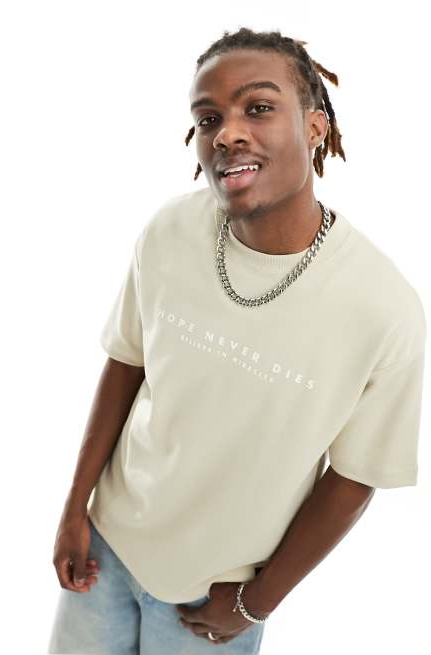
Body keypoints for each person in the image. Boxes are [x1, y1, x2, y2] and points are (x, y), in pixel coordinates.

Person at [47, 28, 427, 653]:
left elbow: (354, 478)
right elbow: (127, 363)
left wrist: (257, 602)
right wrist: (74, 506)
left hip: (212, 596)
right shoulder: (171, 229)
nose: (227, 133)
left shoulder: (383, 307)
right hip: (105, 550)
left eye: (258, 107)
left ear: (315, 127)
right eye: (208, 118)